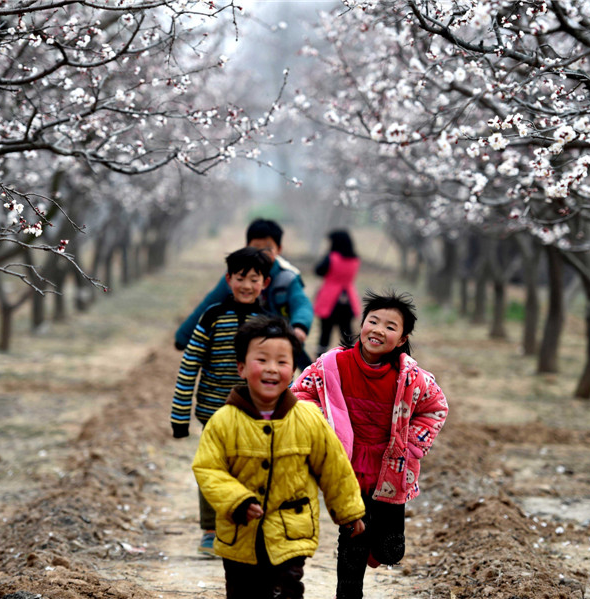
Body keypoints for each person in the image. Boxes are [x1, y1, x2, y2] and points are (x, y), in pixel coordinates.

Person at [192, 316, 366, 599]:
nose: (272, 369)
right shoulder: (223, 421)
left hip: (291, 533)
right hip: (239, 535)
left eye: (282, 362)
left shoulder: (308, 419)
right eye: (262, 359)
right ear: (241, 368)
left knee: (287, 590)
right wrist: (237, 500)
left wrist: (349, 512)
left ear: (294, 369)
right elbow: (208, 469)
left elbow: (333, 467)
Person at [291, 290, 449, 599]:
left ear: (402, 339)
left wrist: (413, 445)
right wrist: (323, 425)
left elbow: (436, 407)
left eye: (390, 326)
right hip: (346, 465)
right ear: (361, 325)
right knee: (352, 541)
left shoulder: (411, 377)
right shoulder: (331, 365)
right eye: (372, 321)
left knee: (391, 550)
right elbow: (300, 393)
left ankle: (377, 549)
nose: (378, 330)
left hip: (391, 467)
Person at [171, 246, 274, 556]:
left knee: (253, 469)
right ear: (228, 279)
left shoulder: (268, 321)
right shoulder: (213, 317)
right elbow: (189, 365)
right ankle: (211, 529)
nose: (246, 285)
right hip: (213, 411)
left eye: (253, 279)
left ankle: (248, 526)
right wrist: (180, 417)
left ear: (264, 283)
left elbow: (278, 370)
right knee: (213, 469)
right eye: (240, 278)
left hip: (256, 413)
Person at [174, 218, 314, 368]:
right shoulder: (237, 276)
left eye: (268, 248)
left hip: (279, 336)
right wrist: (184, 336)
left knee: (302, 367)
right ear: (247, 246)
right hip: (241, 337)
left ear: (279, 249)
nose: (262, 253)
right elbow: (210, 303)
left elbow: (301, 304)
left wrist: (299, 326)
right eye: (256, 247)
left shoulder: (287, 277)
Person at [313, 229, 361, 358]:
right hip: (348, 297)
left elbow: (318, 271)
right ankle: (352, 357)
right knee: (346, 332)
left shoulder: (332, 258)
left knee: (325, 332)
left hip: (330, 297)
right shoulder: (355, 259)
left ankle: (319, 358)